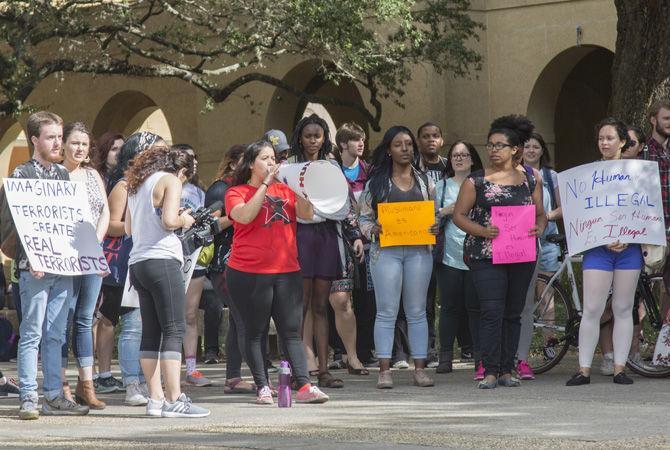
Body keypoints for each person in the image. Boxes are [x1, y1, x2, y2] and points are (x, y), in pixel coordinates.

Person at [225, 140, 329, 404]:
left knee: (291, 331)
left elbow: (307, 213)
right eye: (264, 158)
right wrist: (264, 185)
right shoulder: (236, 192)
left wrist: (300, 187)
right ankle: (262, 386)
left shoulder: (286, 189)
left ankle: (304, 385)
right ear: (251, 164)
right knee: (255, 331)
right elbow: (245, 216)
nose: (272, 162)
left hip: (287, 270)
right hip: (248, 272)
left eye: (274, 158)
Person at [5, 111, 89, 418]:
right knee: (32, 332)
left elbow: (68, 224)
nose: (58, 142)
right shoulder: (21, 176)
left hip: (62, 267)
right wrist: (33, 256)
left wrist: (87, 255)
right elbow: (14, 226)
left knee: (56, 333)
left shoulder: (62, 176)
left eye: (59, 136)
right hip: (34, 268)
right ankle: (29, 395)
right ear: (35, 140)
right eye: (51, 137)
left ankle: (54, 394)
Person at [453, 115, 546, 389]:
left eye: (499, 145)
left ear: (515, 149)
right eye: (490, 145)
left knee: (513, 312)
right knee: (492, 310)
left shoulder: (530, 178)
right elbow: (459, 216)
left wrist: (539, 228)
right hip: (485, 254)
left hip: (521, 253)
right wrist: (483, 231)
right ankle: (490, 370)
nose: (493, 150)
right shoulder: (476, 181)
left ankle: (508, 369)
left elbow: (540, 214)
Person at [125, 144, 210, 417]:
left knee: (151, 331)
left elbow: (128, 228)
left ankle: (155, 399)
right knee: (174, 329)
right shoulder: (171, 179)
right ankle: (174, 399)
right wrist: (185, 218)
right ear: (182, 170)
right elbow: (169, 221)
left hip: (138, 262)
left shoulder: (136, 185)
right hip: (162, 259)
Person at [359, 125, 437, 389]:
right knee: (386, 311)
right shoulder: (376, 183)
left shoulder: (426, 181)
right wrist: (373, 229)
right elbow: (362, 217)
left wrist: (434, 225)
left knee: (417, 312)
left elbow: (434, 214)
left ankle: (420, 369)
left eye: (408, 144)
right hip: (386, 252)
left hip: (418, 252)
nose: (405, 149)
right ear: (389, 150)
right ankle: (384, 370)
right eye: (398, 145)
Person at [566, 118, 641, 387]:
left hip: (630, 250)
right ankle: (583, 370)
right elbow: (579, 209)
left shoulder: (639, 174)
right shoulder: (587, 175)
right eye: (601, 139)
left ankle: (620, 369)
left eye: (610, 138)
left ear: (623, 142)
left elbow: (647, 211)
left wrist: (629, 236)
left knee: (623, 308)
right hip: (597, 250)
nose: (605, 143)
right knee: (592, 309)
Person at [96, 132, 161, 406]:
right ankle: (131, 383)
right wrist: (134, 226)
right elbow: (109, 223)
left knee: (146, 323)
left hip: (149, 257)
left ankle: (147, 383)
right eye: (157, 151)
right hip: (123, 262)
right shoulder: (124, 186)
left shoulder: (159, 184)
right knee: (132, 324)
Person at [289, 114, 354, 389]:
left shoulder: (332, 166)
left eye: (318, 135)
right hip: (300, 237)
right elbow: (290, 206)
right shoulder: (290, 166)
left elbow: (342, 206)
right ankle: (298, 371)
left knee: (321, 305)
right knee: (299, 305)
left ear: (325, 137)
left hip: (326, 236)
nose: (313, 140)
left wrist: (315, 211)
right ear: (300, 138)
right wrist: (311, 213)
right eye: (308, 135)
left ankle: (325, 370)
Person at [59, 122, 109, 409]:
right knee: (63, 319)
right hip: (62, 253)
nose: (79, 148)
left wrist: (95, 241)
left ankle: (86, 385)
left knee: (85, 318)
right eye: (75, 143)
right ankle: (62, 384)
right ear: (64, 144)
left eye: (84, 144)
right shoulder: (54, 174)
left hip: (90, 249)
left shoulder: (92, 175)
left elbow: (104, 210)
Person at [206, 145, 256, 393]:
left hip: (245, 261)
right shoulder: (221, 188)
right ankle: (251, 377)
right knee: (242, 318)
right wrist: (240, 215)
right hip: (223, 263)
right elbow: (209, 224)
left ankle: (233, 378)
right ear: (236, 163)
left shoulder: (251, 191)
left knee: (240, 320)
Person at [434, 141, 484, 377]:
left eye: (464, 154)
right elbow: (429, 220)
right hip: (449, 255)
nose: (459, 158)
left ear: (473, 159)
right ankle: (445, 356)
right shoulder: (440, 187)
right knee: (449, 307)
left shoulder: (483, 185)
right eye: (455, 155)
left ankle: (480, 358)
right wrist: (446, 211)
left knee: (476, 308)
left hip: (477, 254)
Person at [516, 132, 563, 380]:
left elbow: (563, 205)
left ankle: (549, 345)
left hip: (548, 237)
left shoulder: (550, 176)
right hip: (521, 239)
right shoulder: (515, 174)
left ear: (543, 150)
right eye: (527, 146)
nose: (531, 150)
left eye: (536, 146)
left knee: (547, 295)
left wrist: (545, 217)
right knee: (524, 294)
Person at [328, 123, 367, 374]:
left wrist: (356, 235)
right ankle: (330, 354)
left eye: (362, 139)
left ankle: (354, 355)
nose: (361, 144)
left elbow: (349, 208)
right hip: (318, 241)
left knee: (348, 300)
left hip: (351, 241)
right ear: (342, 144)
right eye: (355, 140)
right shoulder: (328, 169)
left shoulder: (369, 171)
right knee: (316, 303)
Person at [172, 144, 212, 387]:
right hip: (168, 254)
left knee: (189, 314)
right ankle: (168, 369)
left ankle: (192, 369)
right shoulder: (163, 185)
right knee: (168, 315)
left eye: (195, 156)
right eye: (188, 157)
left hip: (193, 255)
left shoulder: (198, 190)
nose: (193, 161)